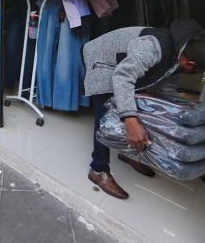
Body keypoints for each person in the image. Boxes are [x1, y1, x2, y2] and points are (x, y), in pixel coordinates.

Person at [82, 18, 205, 199]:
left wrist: (175, 110)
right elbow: (122, 77)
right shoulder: (152, 47)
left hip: (126, 66)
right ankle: (98, 169)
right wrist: (130, 119)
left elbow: (166, 88)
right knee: (107, 116)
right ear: (190, 65)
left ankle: (128, 154)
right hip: (103, 61)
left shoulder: (180, 53)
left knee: (141, 106)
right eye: (197, 72)